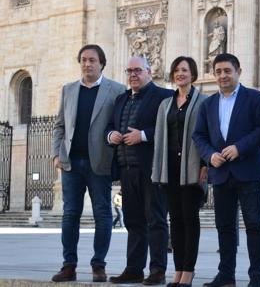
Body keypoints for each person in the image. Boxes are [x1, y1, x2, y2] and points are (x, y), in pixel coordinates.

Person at [50, 44, 126, 282]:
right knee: (70, 214)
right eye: (83, 59)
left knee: (103, 214)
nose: (87, 64)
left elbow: (119, 124)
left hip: (100, 162)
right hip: (71, 163)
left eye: (92, 60)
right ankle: (68, 265)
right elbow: (59, 125)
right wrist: (55, 154)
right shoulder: (69, 90)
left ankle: (98, 265)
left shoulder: (116, 90)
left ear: (101, 63)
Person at [192, 53, 260, 287]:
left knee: (254, 225)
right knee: (224, 227)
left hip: (249, 172)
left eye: (227, 71)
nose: (223, 76)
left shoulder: (255, 99)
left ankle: (256, 277)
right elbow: (199, 135)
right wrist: (209, 155)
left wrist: (239, 148)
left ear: (238, 71)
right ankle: (226, 276)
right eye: (218, 72)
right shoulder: (208, 104)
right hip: (221, 174)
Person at [106, 56, 173, 285]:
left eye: (137, 70)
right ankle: (134, 268)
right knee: (133, 221)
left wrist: (143, 135)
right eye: (129, 71)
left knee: (156, 219)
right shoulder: (121, 99)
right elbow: (110, 126)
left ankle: (157, 271)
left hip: (151, 169)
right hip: (126, 168)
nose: (133, 75)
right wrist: (111, 135)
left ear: (149, 72)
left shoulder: (164, 97)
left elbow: (172, 128)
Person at [152, 56, 208, 287]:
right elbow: (158, 138)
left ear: (192, 74)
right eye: (176, 70)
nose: (180, 74)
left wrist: (206, 164)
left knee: (189, 220)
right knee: (174, 220)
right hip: (170, 169)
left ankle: (189, 270)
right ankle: (177, 269)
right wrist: (158, 168)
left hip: (192, 169)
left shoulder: (203, 101)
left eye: (184, 70)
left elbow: (207, 134)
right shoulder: (165, 104)